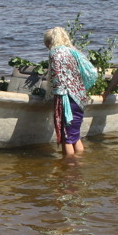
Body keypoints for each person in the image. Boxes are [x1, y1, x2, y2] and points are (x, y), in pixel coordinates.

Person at [44, 27, 90, 156]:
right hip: (79, 97)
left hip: (65, 99)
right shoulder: (73, 52)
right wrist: (80, 86)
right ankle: (80, 161)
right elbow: (91, 72)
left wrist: (53, 92)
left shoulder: (55, 53)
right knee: (75, 135)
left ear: (50, 42)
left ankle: (69, 167)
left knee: (66, 138)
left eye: (46, 43)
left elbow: (56, 77)